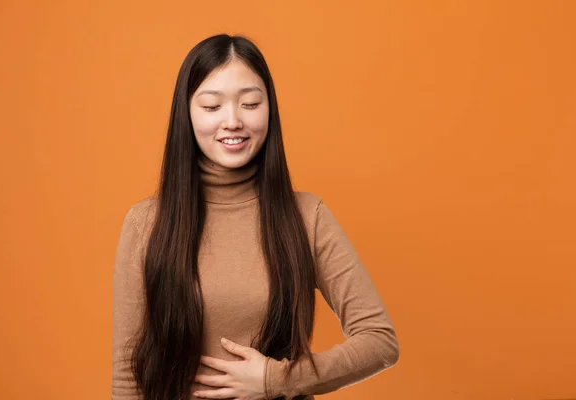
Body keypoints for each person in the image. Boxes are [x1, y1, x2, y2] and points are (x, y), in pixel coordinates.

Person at [112, 33, 399, 400]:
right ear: (186, 114)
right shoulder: (146, 224)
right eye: (212, 107)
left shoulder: (306, 217)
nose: (232, 121)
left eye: (249, 103)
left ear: (269, 109)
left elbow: (379, 340)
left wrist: (278, 380)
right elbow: (127, 373)